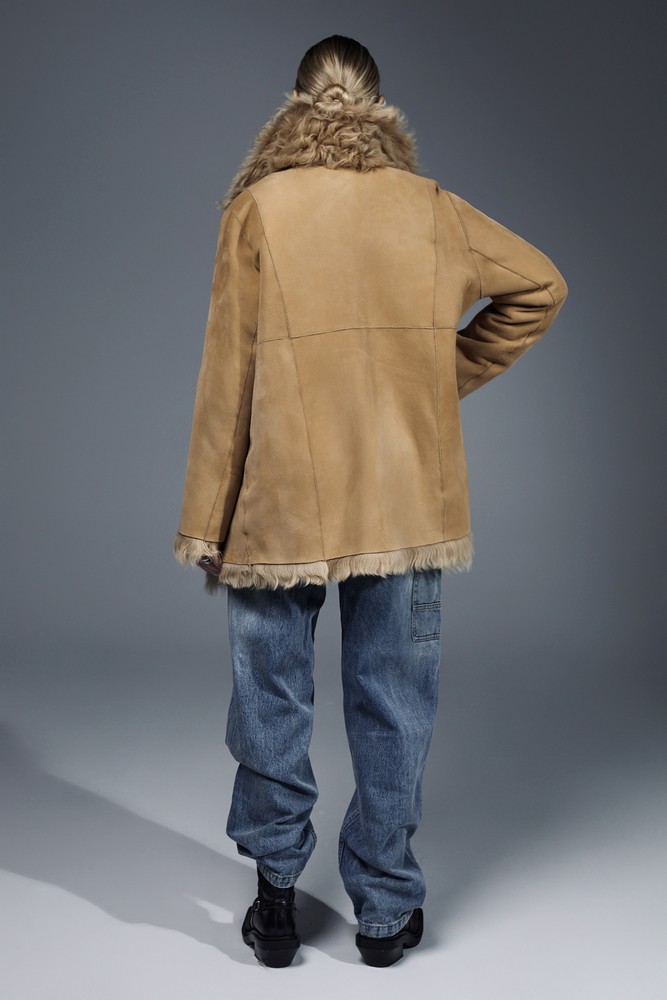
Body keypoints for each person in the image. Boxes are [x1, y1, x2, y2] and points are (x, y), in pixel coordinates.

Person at [172, 34, 568, 968]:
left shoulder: (259, 208)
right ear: (381, 108)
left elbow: (226, 380)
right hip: (403, 497)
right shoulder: (429, 209)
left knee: (270, 695)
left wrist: (206, 521)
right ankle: (385, 913)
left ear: (295, 103)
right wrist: (431, 381)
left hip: (282, 499)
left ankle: (275, 900)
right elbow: (540, 287)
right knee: (394, 700)